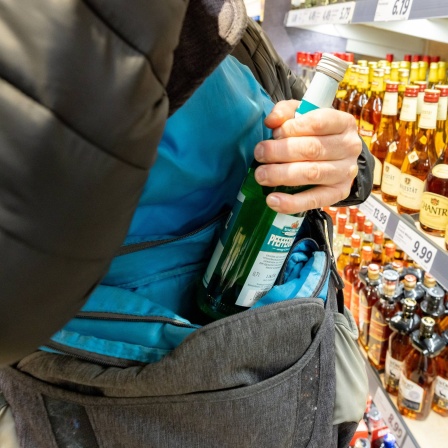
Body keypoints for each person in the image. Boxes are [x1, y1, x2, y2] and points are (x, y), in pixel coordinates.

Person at [0, 2, 372, 446]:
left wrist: (345, 162)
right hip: (105, 400)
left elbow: (322, 137)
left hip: (285, 378)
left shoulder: (230, 24)